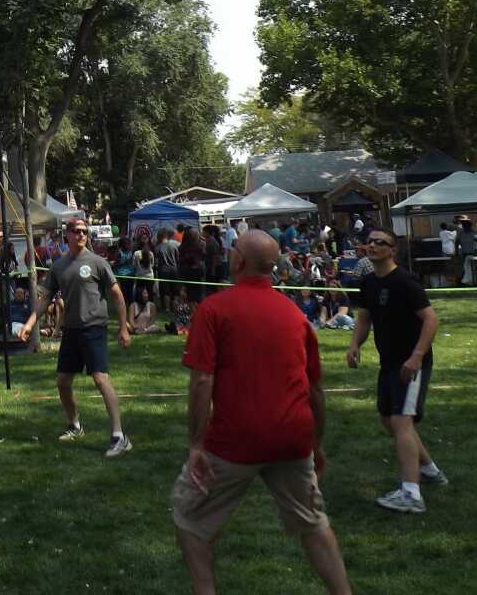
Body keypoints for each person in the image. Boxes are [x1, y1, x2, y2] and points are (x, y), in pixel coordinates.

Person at [173, 231, 351, 595]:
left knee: (189, 519)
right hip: (293, 440)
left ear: (238, 261)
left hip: (234, 442)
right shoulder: (295, 314)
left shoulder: (214, 309)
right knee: (314, 523)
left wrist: (196, 445)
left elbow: (202, 380)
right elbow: (315, 389)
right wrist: (316, 444)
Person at [346, 228, 447, 514]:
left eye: (381, 242)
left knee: (402, 421)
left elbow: (430, 320)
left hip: (411, 363)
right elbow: (364, 319)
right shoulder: (368, 282)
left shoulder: (405, 281)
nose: (373, 245)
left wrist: (416, 356)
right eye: (370, 241)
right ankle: (429, 470)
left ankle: (411, 494)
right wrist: (355, 345)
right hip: (388, 361)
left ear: (393, 250)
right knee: (388, 419)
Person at [18, 218, 133, 457]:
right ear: (67, 235)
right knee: (62, 382)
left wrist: (123, 328)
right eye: (76, 231)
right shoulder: (59, 266)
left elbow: (117, 295)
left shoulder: (98, 262)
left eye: (84, 231)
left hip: (94, 328)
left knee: (101, 379)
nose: (81, 235)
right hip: (71, 330)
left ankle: (119, 436)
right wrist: (29, 324)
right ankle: (75, 426)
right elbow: (45, 298)